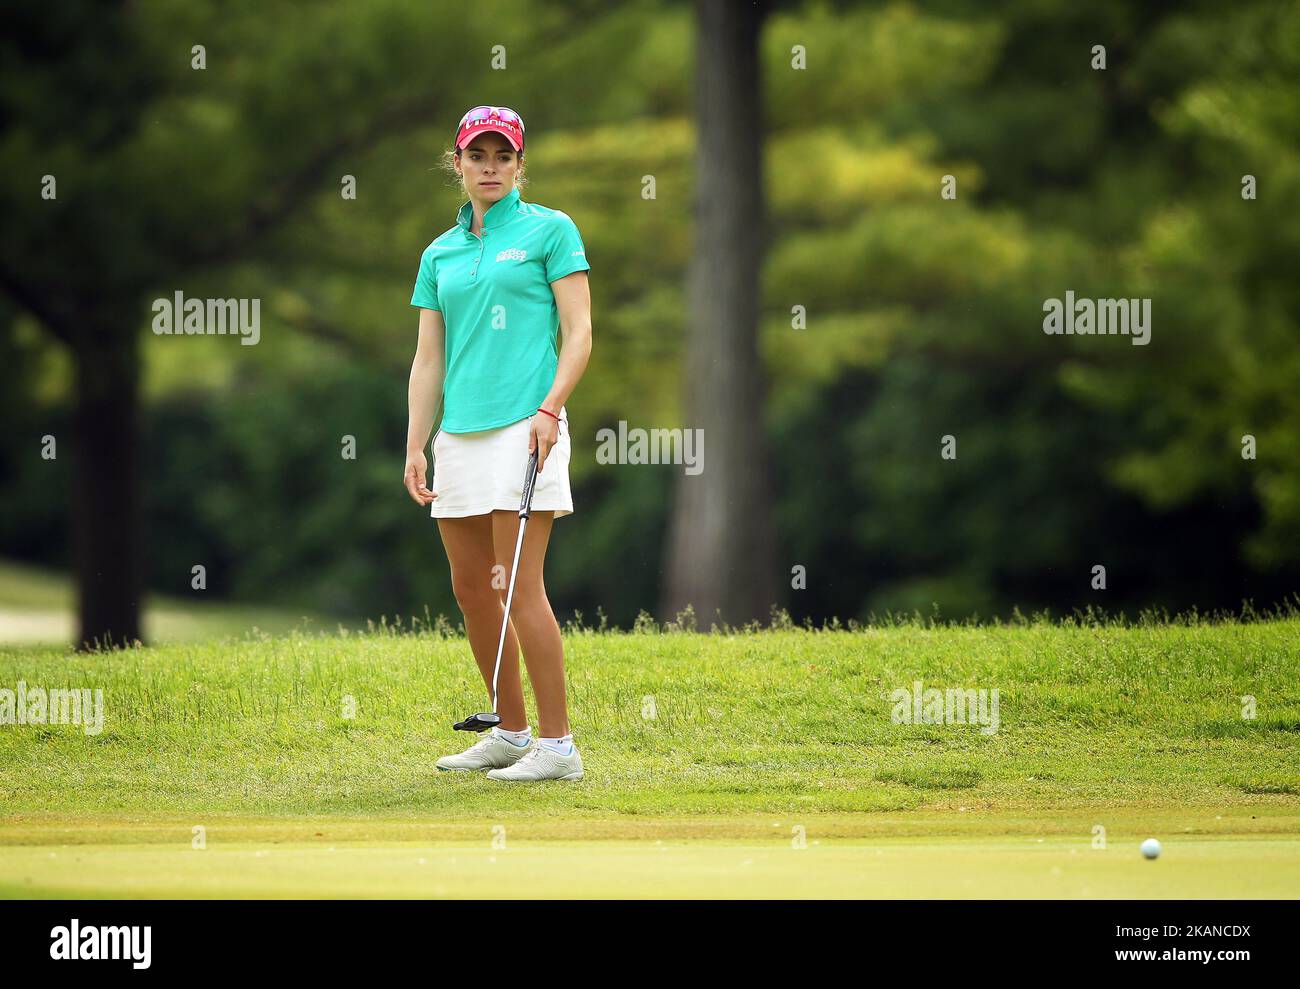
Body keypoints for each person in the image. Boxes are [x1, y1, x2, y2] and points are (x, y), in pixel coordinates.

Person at [404, 105, 593, 782]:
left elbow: (579, 333)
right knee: (472, 588)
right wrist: (416, 443)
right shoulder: (440, 252)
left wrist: (552, 407)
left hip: (527, 423)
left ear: (519, 165)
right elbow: (429, 359)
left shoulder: (551, 232)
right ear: (456, 163)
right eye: (476, 156)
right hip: (459, 434)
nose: (489, 167)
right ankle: (510, 731)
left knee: (517, 585)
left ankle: (559, 746)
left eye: (501, 157)